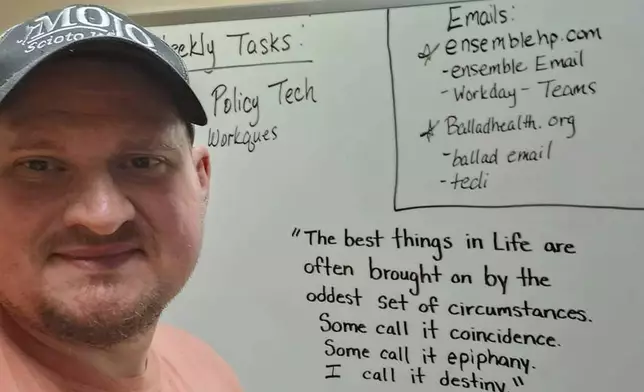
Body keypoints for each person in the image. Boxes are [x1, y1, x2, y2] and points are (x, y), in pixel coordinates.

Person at [0, 4, 243, 392]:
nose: (102, 216)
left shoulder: (207, 372)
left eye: (144, 161)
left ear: (201, 179)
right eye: (39, 166)